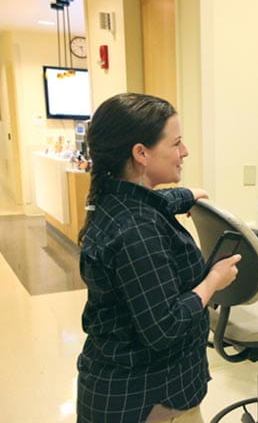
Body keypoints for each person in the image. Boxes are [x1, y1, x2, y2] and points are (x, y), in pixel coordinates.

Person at [76, 93, 241, 423]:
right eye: (176, 143)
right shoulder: (137, 231)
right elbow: (165, 327)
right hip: (148, 400)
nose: (185, 152)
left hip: (117, 387)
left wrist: (188, 195)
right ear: (141, 153)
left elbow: (155, 200)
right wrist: (213, 281)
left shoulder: (115, 199)